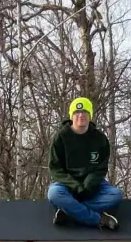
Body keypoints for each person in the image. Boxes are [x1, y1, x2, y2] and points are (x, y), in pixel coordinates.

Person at [47, 97, 121, 230]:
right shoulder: (60, 137)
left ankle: (68, 210)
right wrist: (75, 186)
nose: (81, 115)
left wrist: (88, 184)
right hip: (66, 183)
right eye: (77, 112)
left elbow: (101, 167)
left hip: (92, 184)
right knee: (54, 194)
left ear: (90, 115)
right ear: (72, 116)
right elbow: (55, 168)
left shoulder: (100, 138)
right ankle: (98, 219)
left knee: (115, 195)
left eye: (85, 112)